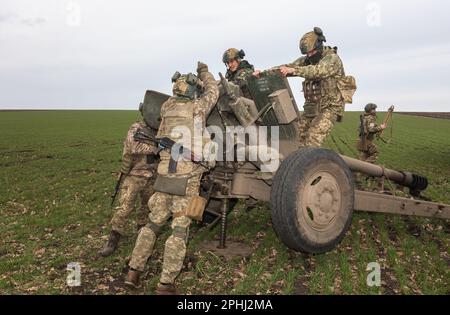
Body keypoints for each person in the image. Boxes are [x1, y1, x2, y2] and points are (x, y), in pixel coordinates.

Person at [124, 62, 219, 295]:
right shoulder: (197, 108)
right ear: (192, 93)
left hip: (164, 176)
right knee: (178, 229)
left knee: (153, 224)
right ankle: (166, 284)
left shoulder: (166, 108)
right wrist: (204, 73)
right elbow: (213, 91)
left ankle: (133, 272)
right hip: (186, 180)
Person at [254, 27, 355, 147]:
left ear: (319, 46)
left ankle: (315, 164)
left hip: (329, 108)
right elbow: (286, 67)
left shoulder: (332, 59)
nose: (309, 55)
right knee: (297, 140)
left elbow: (317, 71)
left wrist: (294, 70)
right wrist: (263, 73)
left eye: (312, 52)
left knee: (312, 140)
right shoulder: (307, 60)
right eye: (307, 53)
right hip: (311, 109)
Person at [100, 118, 159, 257]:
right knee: (125, 207)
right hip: (135, 175)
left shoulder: (160, 129)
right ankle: (113, 239)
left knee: (147, 208)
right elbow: (133, 147)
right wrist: (155, 149)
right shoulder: (137, 127)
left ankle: (141, 236)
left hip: (152, 176)